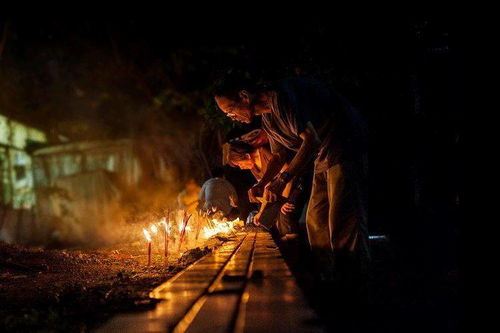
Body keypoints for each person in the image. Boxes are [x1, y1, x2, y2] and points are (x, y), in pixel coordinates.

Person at [214, 73, 369, 278]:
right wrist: (264, 182)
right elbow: (279, 154)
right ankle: (329, 277)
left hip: (343, 145)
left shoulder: (281, 98)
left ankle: (353, 281)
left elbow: (311, 140)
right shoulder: (268, 118)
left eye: (230, 110)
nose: (232, 117)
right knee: (315, 221)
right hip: (323, 157)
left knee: (342, 219)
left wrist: (282, 179)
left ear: (244, 96)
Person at [223, 138, 304, 238]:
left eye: (240, 164)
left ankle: (294, 246)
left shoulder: (264, 152)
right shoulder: (253, 167)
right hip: (280, 193)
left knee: (284, 214)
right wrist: (261, 212)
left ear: (248, 156)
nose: (241, 167)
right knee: (265, 220)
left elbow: (289, 177)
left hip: (295, 186)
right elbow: (266, 187)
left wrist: (283, 201)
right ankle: (282, 246)